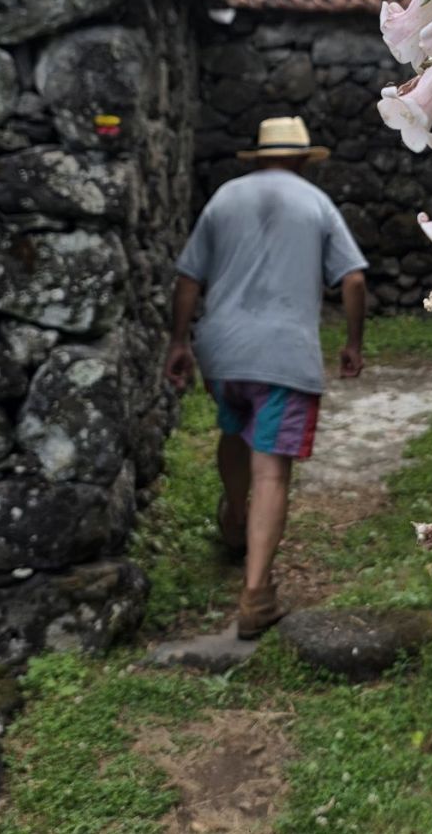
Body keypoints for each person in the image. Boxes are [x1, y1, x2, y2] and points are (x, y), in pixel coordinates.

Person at [164, 116, 368, 638]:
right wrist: (352, 343)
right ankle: (256, 595)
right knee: (271, 471)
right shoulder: (316, 204)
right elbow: (353, 278)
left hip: (222, 353)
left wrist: (179, 342)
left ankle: (234, 517)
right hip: (282, 357)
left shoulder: (225, 197)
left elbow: (189, 278)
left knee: (233, 431)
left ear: (259, 156)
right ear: (302, 160)